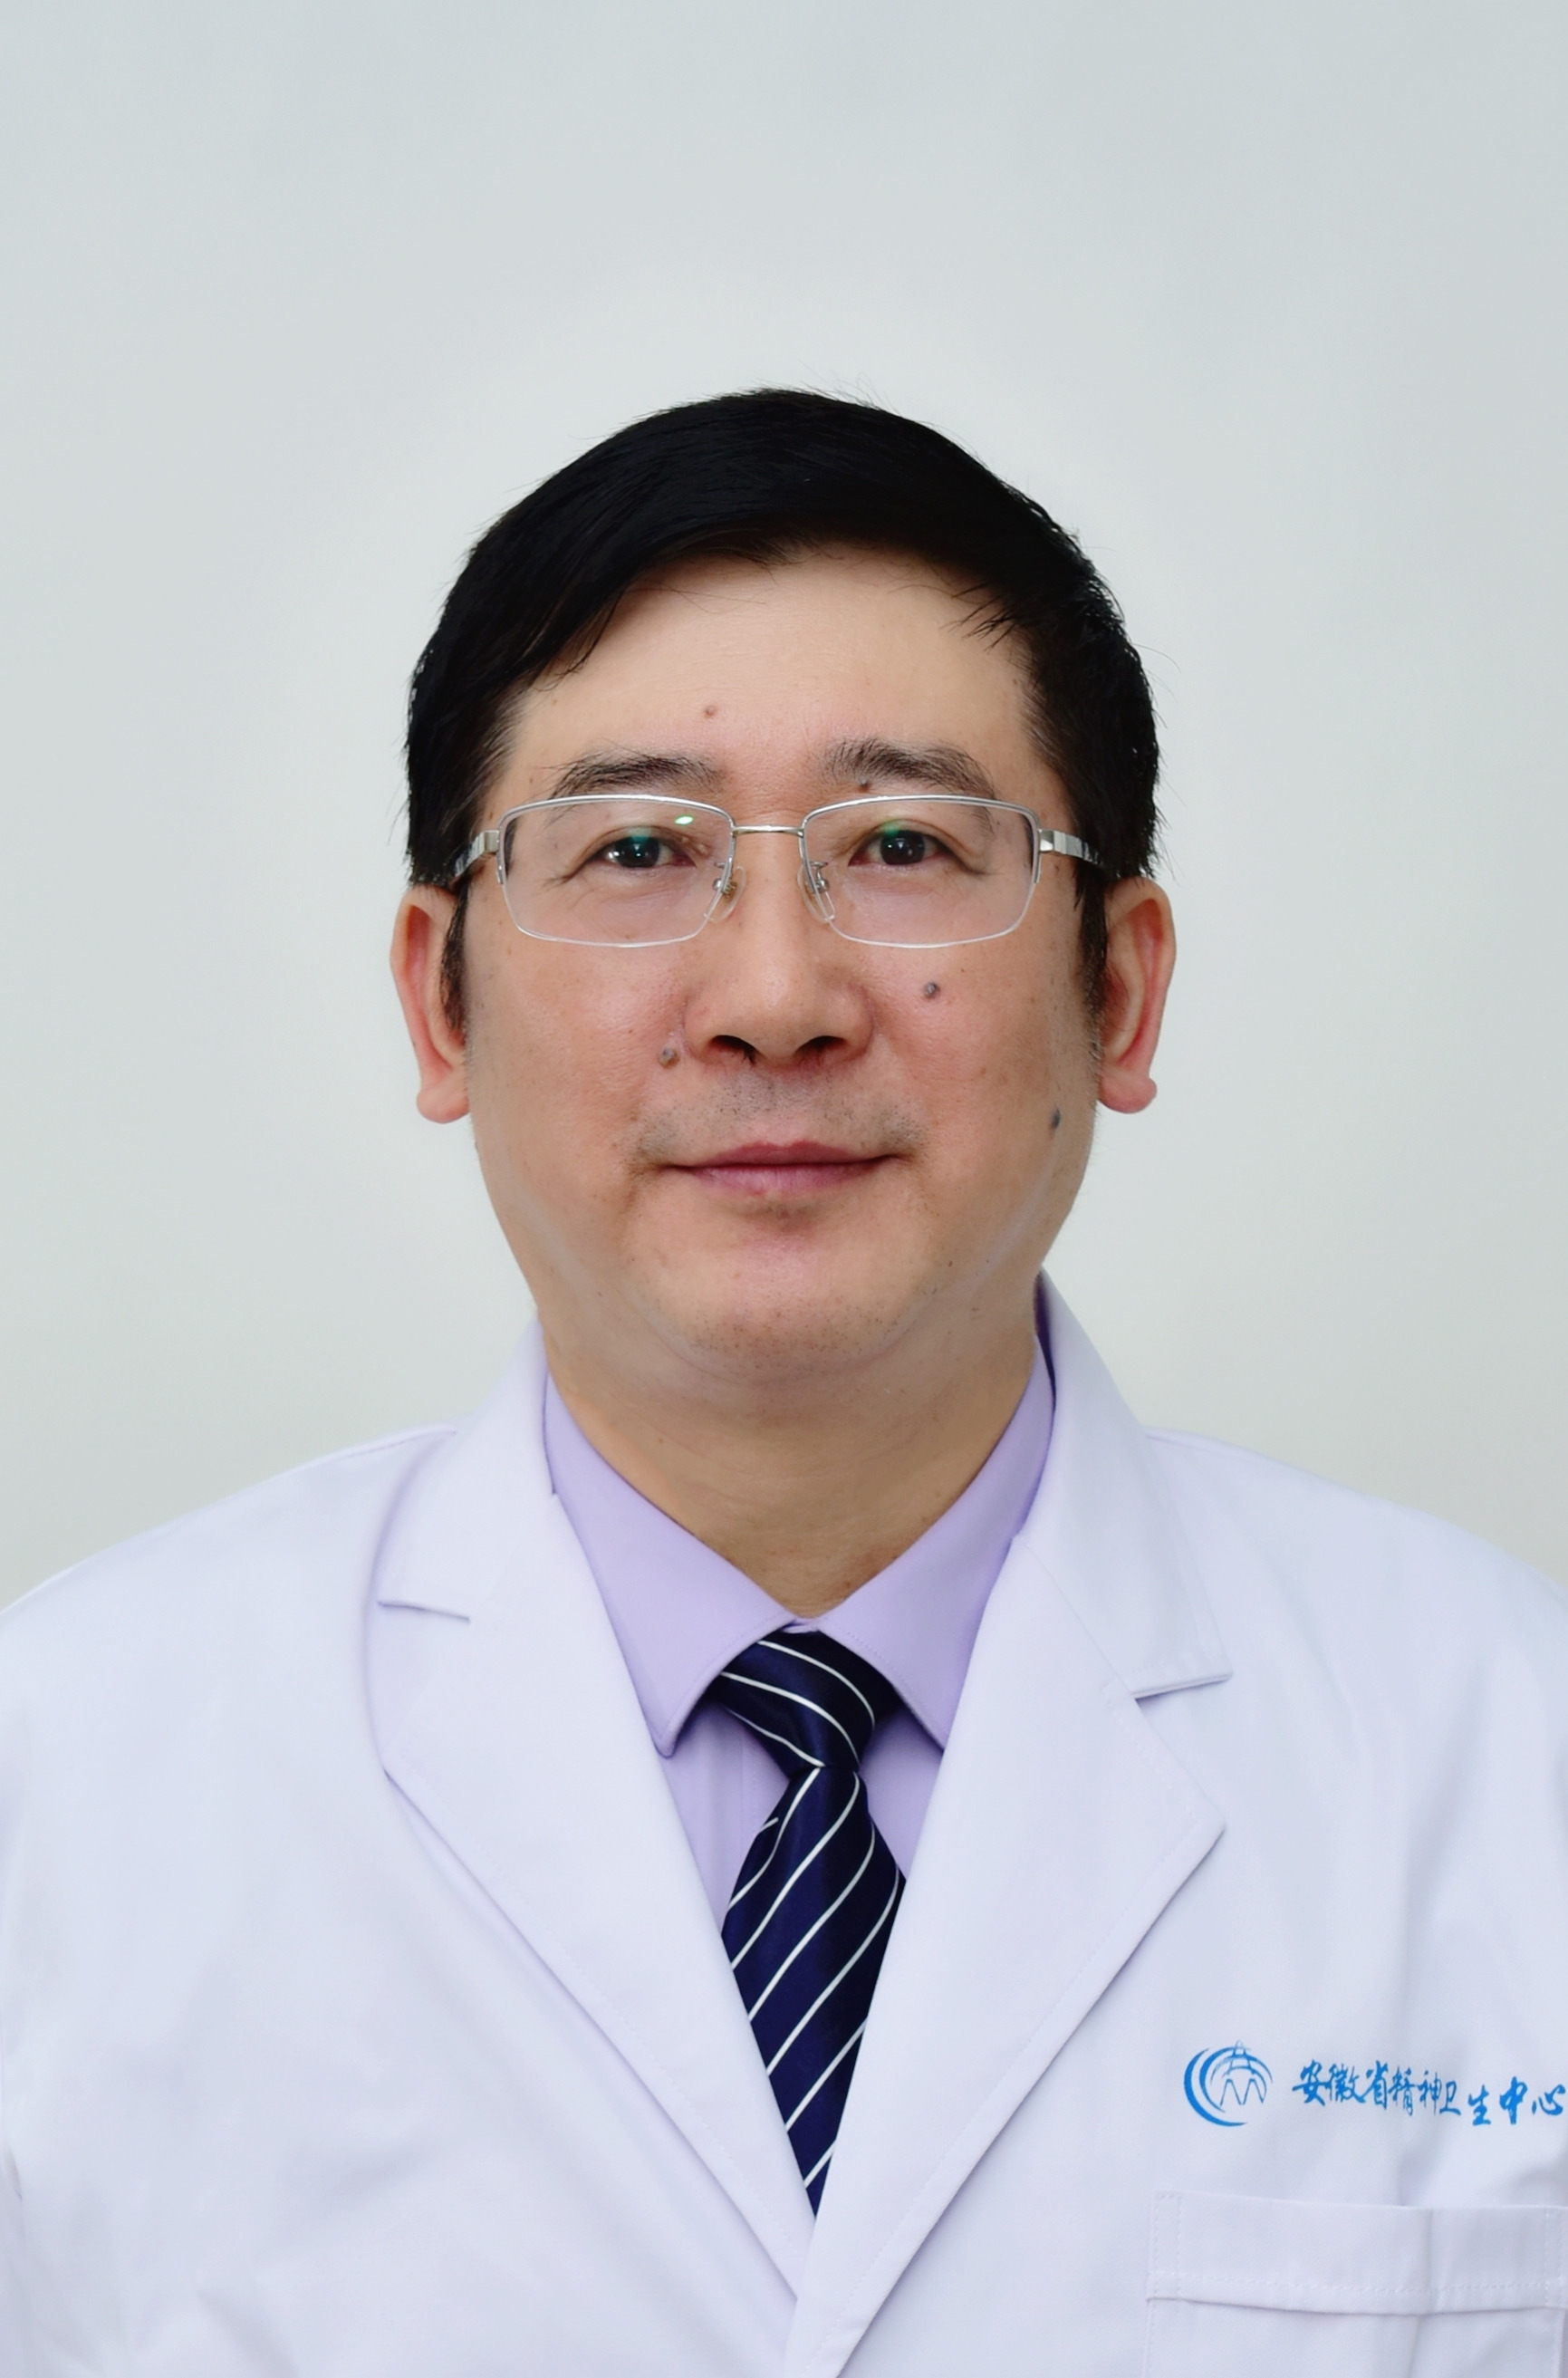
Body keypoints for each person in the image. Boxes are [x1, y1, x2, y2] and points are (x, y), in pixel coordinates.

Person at [3, 390, 1567, 2378]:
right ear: (436, 998)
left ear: (1119, 987)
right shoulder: (68, 1780)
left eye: (903, 845)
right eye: (635, 848)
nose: (770, 1000)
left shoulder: (1508, 1760)